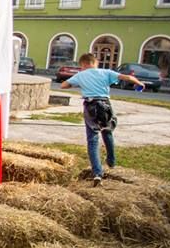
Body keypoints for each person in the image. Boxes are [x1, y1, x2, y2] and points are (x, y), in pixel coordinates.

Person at [61, 53, 144, 185]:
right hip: (105, 105)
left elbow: (63, 85)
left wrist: (77, 84)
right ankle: (111, 160)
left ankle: (97, 173)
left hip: (90, 106)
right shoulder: (106, 72)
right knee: (107, 131)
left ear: (83, 65)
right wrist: (139, 83)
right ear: (95, 63)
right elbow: (127, 77)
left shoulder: (80, 75)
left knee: (92, 140)